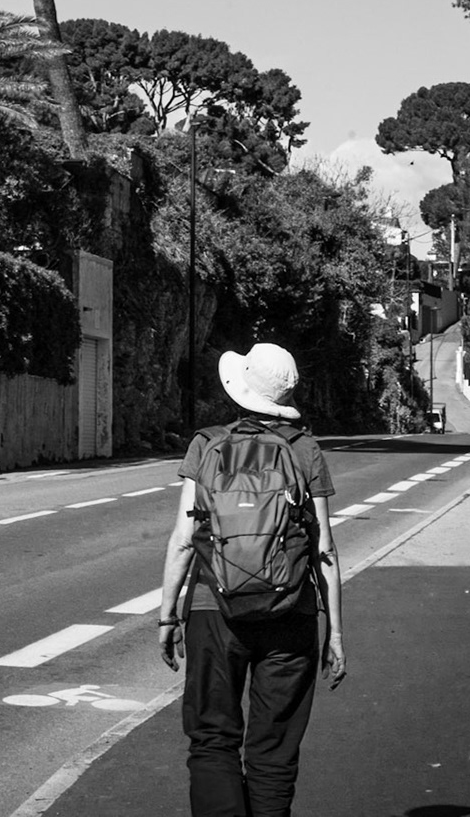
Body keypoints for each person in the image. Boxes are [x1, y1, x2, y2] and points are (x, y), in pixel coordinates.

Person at [158, 342, 346, 817]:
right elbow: (324, 550)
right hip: (291, 613)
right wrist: (336, 634)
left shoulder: (207, 444)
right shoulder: (304, 449)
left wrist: (166, 618)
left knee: (212, 738)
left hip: (212, 609)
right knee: (274, 750)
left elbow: (184, 540)